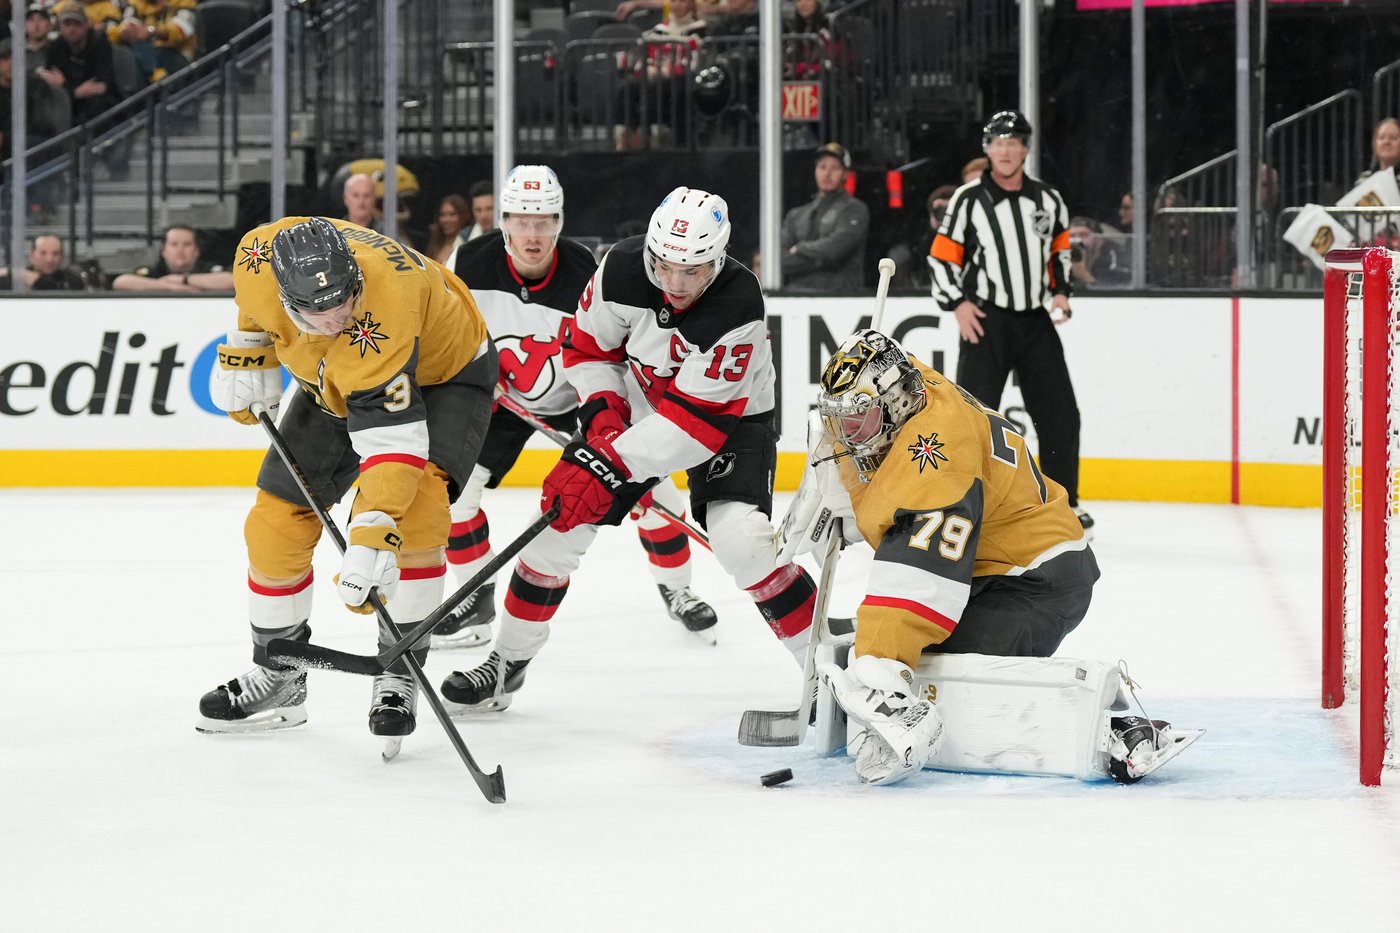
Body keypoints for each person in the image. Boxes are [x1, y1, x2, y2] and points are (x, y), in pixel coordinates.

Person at [439, 186, 829, 712]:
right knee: (554, 531)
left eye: (691, 271)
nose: (674, 283)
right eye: (664, 265)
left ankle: (830, 676)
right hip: (639, 407)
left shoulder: (738, 303)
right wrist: (602, 418)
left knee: (744, 543)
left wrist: (605, 461)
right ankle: (507, 663)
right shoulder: (621, 266)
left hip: (729, 421)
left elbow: (694, 427)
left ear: (717, 258)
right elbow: (588, 349)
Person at [196, 216, 496, 741]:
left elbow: (392, 444)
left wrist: (373, 531)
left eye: (344, 300)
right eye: (317, 309)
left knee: (419, 515)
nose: (336, 317)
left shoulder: (383, 310)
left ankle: (400, 673)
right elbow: (253, 306)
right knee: (275, 520)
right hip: (335, 380)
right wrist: (249, 352)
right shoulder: (254, 257)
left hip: (445, 373)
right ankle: (279, 672)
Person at [438, 164, 718, 651]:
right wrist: (477, 371)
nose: (532, 234)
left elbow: (610, 349)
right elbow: (448, 330)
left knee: (652, 490)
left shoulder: (586, 271)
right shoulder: (468, 261)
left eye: (544, 220)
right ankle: (477, 598)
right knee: (454, 492)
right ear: (501, 221)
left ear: (560, 222)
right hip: (500, 397)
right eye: (522, 221)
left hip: (580, 398)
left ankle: (679, 590)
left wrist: (613, 428)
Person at [801, 329, 1099, 784]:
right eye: (841, 420)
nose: (846, 434)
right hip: (995, 564)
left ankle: (1101, 729)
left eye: (858, 418)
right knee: (902, 654)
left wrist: (881, 667)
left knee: (928, 669)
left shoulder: (938, 458)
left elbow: (919, 578)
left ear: (894, 402)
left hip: (1038, 580)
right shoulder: (910, 382)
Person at [929, 110, 1091, 534]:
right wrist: (957, 304)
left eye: (1013, 141)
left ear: (1025, 149)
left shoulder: (1048, 200)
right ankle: (966, 508)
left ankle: (1064, 504)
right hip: (988, 319)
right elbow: (942, 256)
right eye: (998, 142)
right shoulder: (967, 199)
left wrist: (1061, 291)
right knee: (973, 419)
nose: (1005, 149)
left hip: (1035, 320)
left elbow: (1060, 250)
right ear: (987, 149)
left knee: (1060, 415)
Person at [777, 142, 870, 293]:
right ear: (815, 170)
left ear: (846, 174)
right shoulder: (796, 215)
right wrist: (822, 260)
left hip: (842, 298)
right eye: (822, 167)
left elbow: (834, 250)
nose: (827, 173)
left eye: (835, 168)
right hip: (797, 299)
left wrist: (800, 248)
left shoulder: (855, 210)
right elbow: (779, 260)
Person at [40, 1, 122, 126]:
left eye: (77, 24)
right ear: (60, 26)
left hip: (98, 105)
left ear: (86, 25)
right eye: (67, 24)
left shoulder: (101, 45)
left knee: (97, 103)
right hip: (66, 102)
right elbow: (50, 84)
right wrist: (75, 92)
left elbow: (100, 86)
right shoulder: (54, 47)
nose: (72, 29)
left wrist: (64, 85)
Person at [112, 224, 234, 291]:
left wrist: (183, 279)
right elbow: (121, 282)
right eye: (174, 244)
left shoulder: (208, 269)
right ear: (163, 251)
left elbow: (231, 281)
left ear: (196, 250)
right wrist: (171, 287)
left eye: (187, 245)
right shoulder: (155, 271)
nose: (180, 250)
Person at [111, 0, 196, 84]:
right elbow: (127, 25)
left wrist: (151, 31)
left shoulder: (183, 2)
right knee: (127, 57)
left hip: (178, 54)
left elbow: (183, 29)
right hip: (147, 54)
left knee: (152, 53)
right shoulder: (136, 3)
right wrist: (125, 32)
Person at [0, 234, 87, 290]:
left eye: (55, 253)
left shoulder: (73, 280)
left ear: (62, 257)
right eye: (43, 253)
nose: (49, 260)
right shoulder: (13, 278)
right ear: (31, 256)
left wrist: (36, 281)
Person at [1354, 116, 1400, 188]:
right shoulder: (1364, 179)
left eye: (1393, 137)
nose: (1386, 142)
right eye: (1381, 137)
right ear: (1374, 143)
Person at [426, 193, 470, 265]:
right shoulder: (434, 245)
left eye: (452, 214)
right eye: (442, 215)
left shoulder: (468, 243)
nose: (446, 220)